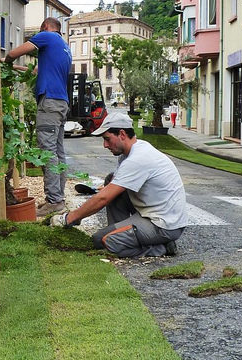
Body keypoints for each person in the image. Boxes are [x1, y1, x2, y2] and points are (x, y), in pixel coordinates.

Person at [52, 109, 188, 258]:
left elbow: (104, 198)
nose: (105, 145)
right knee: (111, 180)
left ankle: (161, 248)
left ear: (122, 134)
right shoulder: (130, 153)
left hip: (164, 225)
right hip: (154, 214)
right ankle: (123, 232)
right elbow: (113, 186)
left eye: (107, 139)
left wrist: (70, 218)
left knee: (102, 240)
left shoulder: (138, 158)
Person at [5, 17, 73, 218]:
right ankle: (58, 197)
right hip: (61, 103)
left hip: (49, 102)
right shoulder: (63, 47)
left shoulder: (47, 36)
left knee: (47, 152)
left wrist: (7, 59)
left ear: (45, 27)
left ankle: (54, 201)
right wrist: (12, 66)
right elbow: (35, 71)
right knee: (58, 152)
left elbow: (14, 52)